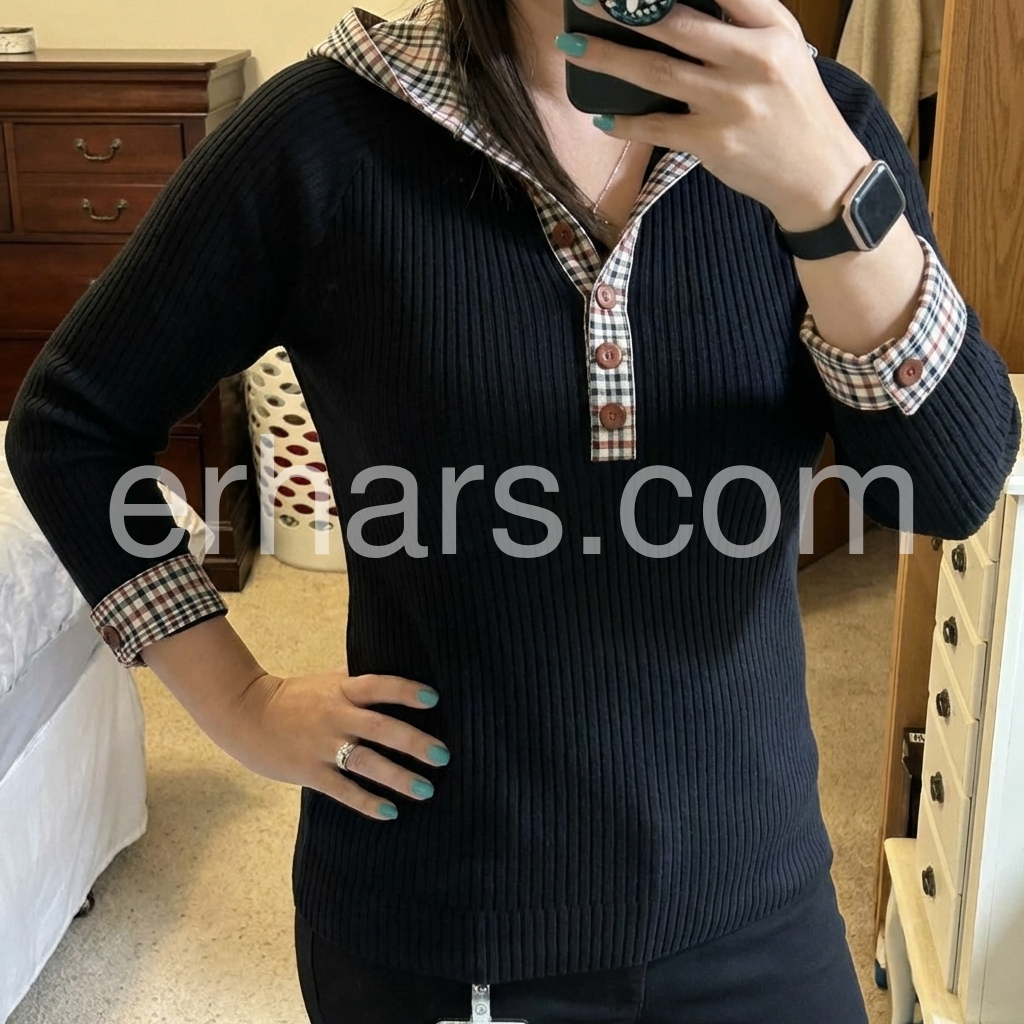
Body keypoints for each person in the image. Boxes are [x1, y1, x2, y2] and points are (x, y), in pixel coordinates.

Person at [6, 0, 1019, 1021]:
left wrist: (828, 194)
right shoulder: (325, 136)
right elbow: (71, 426)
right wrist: (241, 704)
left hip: (755, 893)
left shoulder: (823, 123)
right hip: (447, 927)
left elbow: (953, 484)